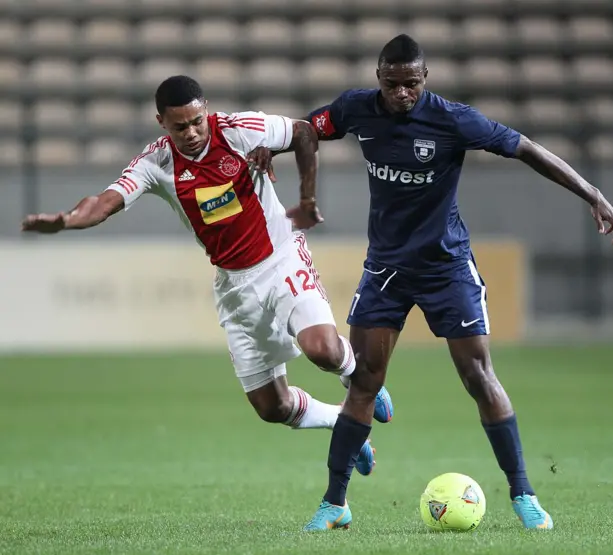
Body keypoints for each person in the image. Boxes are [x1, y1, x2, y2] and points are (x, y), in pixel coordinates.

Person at [251, 35, 613, 531]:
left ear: (425, 79)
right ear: (378, 77)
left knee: (478, 376)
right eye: (391, 84)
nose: (401, 94)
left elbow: (527, 149)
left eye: (411, 84)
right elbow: (306, 129)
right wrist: (267, 147)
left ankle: (523, 493)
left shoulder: (453, 119)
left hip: (446, 267)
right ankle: (335, 502)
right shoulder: (356, 109)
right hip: (386, 268)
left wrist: (593, 194)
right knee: (364, 379)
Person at [20, 75, 394, 479]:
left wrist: (306, 200)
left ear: (206, 109)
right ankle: (343, 421)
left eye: (197, 120)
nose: (192, 132)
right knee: (274, 408)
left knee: (323, 349)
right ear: (161, 121)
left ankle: (360, 378)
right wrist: (68, 220)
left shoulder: (238, 129)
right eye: (180, 126)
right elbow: (105, 201)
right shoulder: (156, 162)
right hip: (235, 286)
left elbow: (304, 133)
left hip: (282, 257)